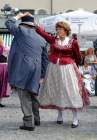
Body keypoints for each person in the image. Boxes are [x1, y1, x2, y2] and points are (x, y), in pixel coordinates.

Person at [35, 21, 90, 128]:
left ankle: (75, 118)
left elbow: (78, 56)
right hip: (54, 69)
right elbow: (43, 34)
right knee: (58, 90)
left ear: (65, 30)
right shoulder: (53, 39)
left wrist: (76, 67)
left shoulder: (73, 42)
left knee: (71, 91)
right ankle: (60, 115)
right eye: (57, 29)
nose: (58, 31)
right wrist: (35, 25)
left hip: (68, 69)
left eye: (60, 29)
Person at [5, 12, 48, 131]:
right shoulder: (42, 39)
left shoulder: (20, 32)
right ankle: (37, 119)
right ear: (33, 25)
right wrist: (42, 75)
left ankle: (29, 123)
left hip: (22, 69)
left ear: (23, 24)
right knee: (33, 94)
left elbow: (8, 22)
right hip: (37, 70)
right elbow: (45, 60)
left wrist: (18, 16)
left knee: (24, 95)